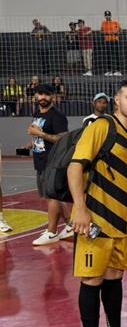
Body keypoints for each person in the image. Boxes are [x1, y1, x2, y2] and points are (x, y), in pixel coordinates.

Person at [70, 80, 127, 327]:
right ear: (117, 100)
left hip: (123, 221)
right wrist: (80, 209)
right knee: (92, 280)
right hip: (96, 222)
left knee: (115, 277)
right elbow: (75, 165)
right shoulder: (102, 126)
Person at [29, 84, 71, 246]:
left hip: (53, 161)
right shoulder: (37, 113)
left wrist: (40, 134)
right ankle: (70, 225)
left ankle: (52, 232)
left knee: (51, 196)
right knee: (52, 196)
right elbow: (36, 134)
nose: (43, 98)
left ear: (52, 96)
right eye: (40, 94)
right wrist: (31, 144)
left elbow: (63, 138)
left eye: (47, 95)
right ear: (36, 96)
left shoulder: (57, 116)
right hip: (40, 160)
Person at [101, 11, 122, 76]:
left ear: (110, 16)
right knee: (108, 56)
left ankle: (118, 71)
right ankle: (109, 71)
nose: (107, 17)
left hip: (115, 40)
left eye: (108, 15)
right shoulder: (103, 23)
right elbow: (101, 31)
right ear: (105, 16)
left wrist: (117, 33)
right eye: (106, 15)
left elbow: (120, 30)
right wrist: (104, 33)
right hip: (107, 41)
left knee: (116, 55)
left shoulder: (115, 22)